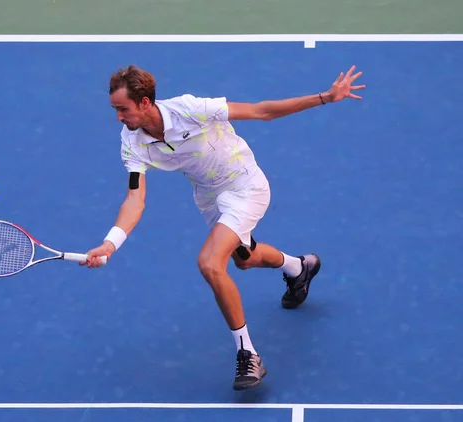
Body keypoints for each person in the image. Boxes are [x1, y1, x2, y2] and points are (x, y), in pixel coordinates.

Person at [80, 65, 365, 391]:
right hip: (210, 198)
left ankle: (248, 353)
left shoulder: (189, 109)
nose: (118, 117)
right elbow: (135, 198)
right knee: (244, 258)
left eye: (122, 109)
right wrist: (110, 243)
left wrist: (325, 98)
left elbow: (261, 111)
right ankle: (299, 267)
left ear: (144, 103)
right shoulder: (132, 142)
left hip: (245, 186)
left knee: (210, 263)